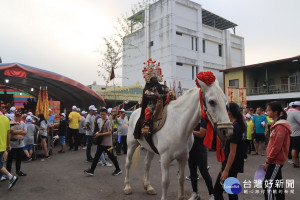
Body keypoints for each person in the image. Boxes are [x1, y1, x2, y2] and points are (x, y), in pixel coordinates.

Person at [214, 102, 245, 200]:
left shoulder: (235, 129)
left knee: (217, 191)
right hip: (233, 164)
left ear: (229, 112)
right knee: (231, 192)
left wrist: (226, 170)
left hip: (230, 165)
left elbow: (233, 152)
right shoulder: (236, 125)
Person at [263, 101, 292, 200]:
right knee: (277, 185)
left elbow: (276, 147)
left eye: (269, 110)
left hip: (275, 160)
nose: (267, 112)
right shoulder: (277, 125)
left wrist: (268, 161)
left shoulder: (280, 127)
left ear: (275, 112)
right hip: (274, 160)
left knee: (267, 185)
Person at [84, 108, 121, 176]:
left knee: (112, 156)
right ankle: (92, 170)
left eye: (103, 114)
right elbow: (101, 130)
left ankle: (118, 169)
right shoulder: (101, 121)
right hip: (101, 143)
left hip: (108, 144)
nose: (102, 116)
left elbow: (110, 132)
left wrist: (100, 134)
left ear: (106, 114)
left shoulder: (108, 121)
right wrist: (97, 133)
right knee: (96, 157)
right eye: (101, 114)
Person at [188, 120, 214, 200]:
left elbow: (201, 134)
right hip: (190, 149)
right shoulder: (192, 119)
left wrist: (189, 131)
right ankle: (195, 193)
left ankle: (211, 194)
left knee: (204, 172)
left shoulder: (203, 120)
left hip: (200, 149)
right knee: (192, 172)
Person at [0, 107, 18, 189]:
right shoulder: (5, 119)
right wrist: (8, 145)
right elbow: (8, 134)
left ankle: (11, 177)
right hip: (2, 146)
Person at [287, 101, 300, 168]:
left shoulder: (288, 112)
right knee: (295, 149)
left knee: (294, 148)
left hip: (292, 133)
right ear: (298, 107)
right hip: (297, 134)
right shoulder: (296, 112)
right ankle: (296, 162)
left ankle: (295, 162)